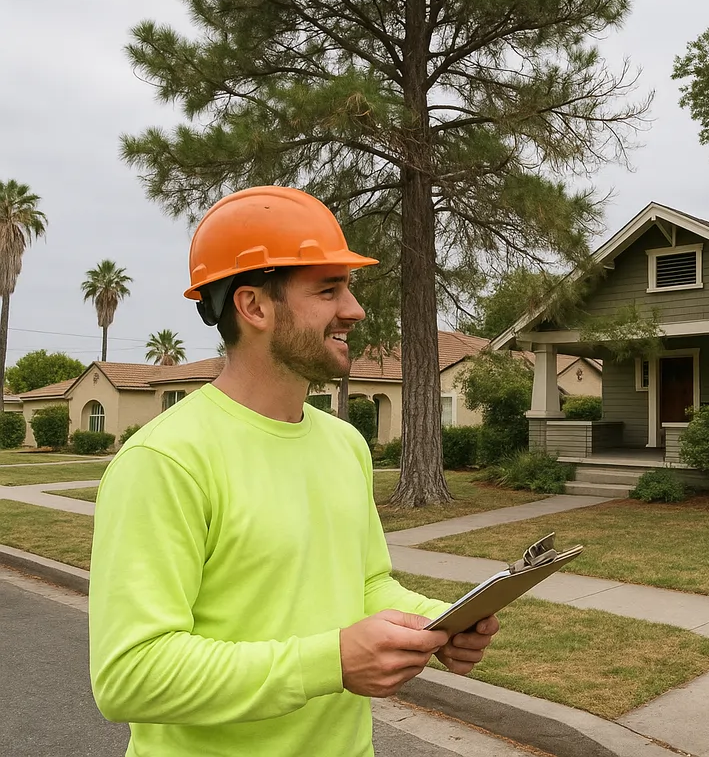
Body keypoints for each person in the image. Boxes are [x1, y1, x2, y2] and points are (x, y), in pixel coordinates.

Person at [89, 186, 499, 756]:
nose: (354, 309)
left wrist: (438, 621)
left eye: (348, 289)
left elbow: (365, 584)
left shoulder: (343, 444)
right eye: (328, 290)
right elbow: (130, 676)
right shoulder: (166, 461)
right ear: (253, 306)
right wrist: (329, 662)